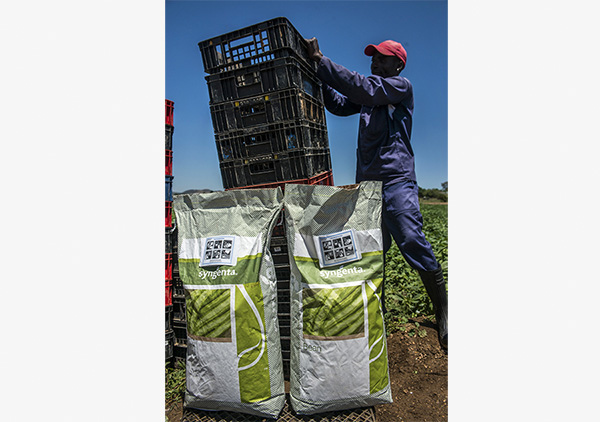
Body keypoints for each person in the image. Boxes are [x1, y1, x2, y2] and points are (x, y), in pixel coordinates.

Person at [305, 37, 448, 349]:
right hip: (368, 186)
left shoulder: (400, 87)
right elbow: (341, 104)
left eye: (382, 59)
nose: (375, 62)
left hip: (396, 181)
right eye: (373, 58)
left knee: (411, 239)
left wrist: (322, 60)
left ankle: (443, 311)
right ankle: (376, 314)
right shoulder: (370, 96)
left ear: (397, 64)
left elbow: (363, 88)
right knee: (372, 250)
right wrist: (319, 75)